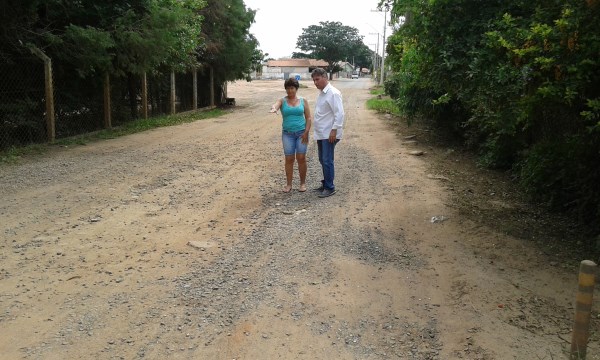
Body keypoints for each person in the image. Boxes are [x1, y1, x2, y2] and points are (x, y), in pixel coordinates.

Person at [269, 77, 312, 193]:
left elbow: (308, 117)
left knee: (301, 158)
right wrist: (274, 108)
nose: (290, 91)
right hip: (287, 134)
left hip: (302, 133)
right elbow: (276, 105)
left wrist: (306, 132)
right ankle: (289, 184)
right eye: (288, 88)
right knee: (289, 159)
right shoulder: (282, 100)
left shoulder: (303, 101)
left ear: (296, 88)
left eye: (292, 88)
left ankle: (302, 183)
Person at [310, 68, 345, 198]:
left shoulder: (333, 93)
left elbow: (340, 113)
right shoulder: (322, 93)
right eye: (314, 80)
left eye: (317, 79)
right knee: (322, 159)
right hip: (321, 133)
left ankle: (330, 188)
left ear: (325, 77)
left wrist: (334, 130)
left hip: (329, 133)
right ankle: (326, 184)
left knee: (327, 160)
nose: (315, 82)